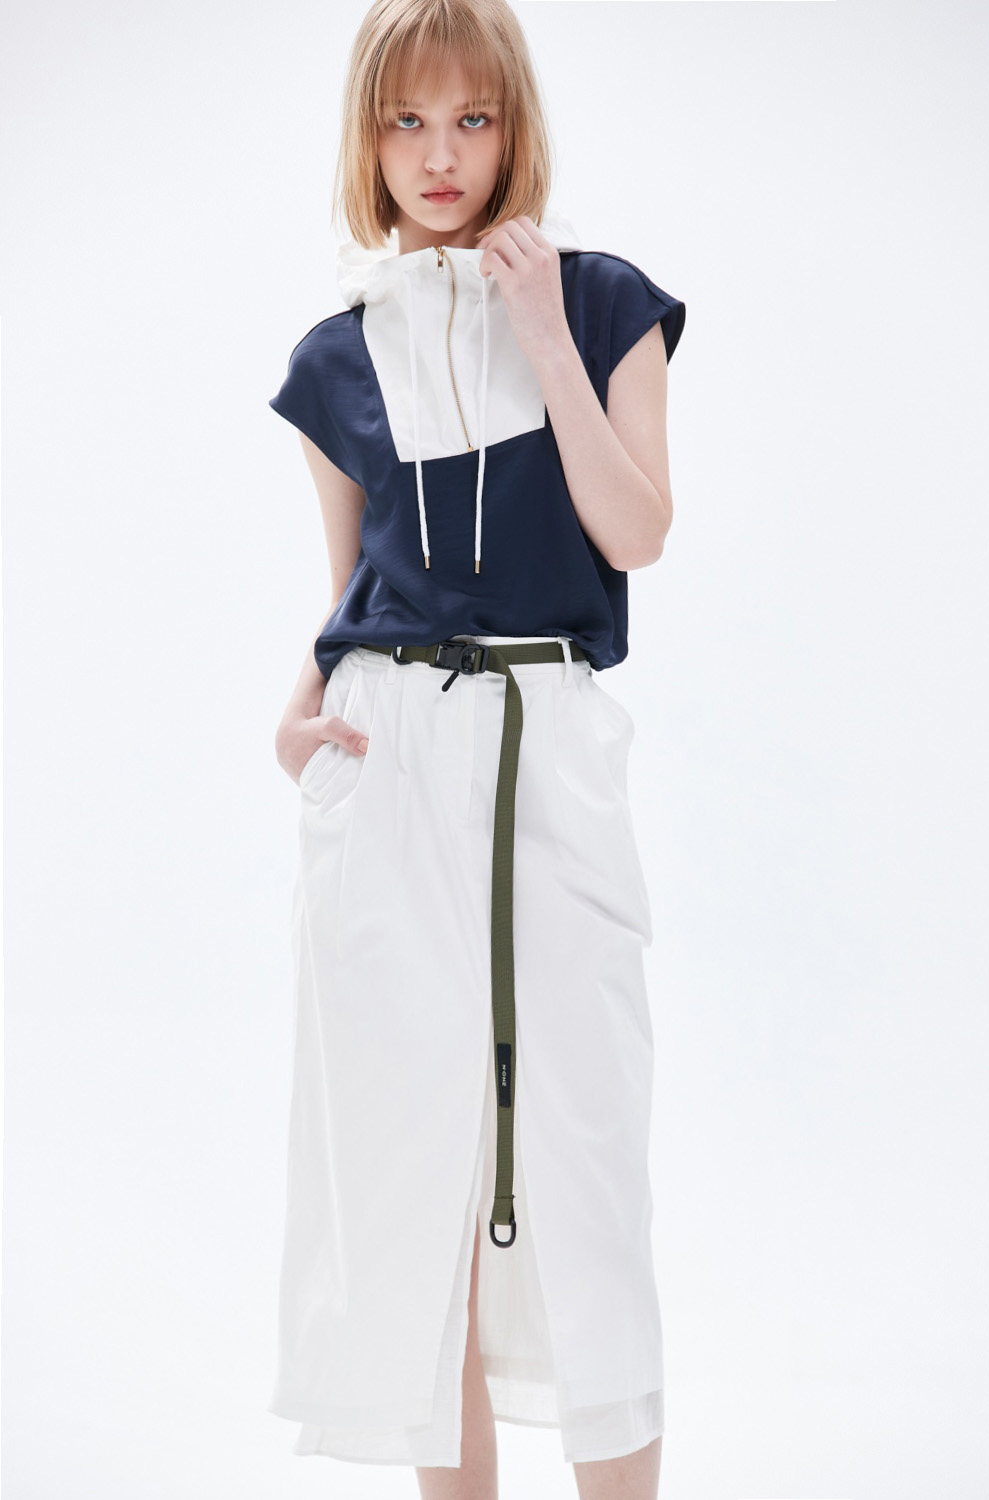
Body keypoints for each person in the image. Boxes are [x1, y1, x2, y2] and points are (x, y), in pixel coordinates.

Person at [268, 2, 686, 1496]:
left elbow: (636, 531)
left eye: (471, 119)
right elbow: (352, 596)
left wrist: (543, 335)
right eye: (406, 121)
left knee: (584, 1167)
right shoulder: (334, 359)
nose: (439, 155)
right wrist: (297, 723)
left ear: (514, 128)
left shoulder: (607, 303)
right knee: (416, 1188)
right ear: (368, 138)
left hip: (545, 743)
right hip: (386, 765)